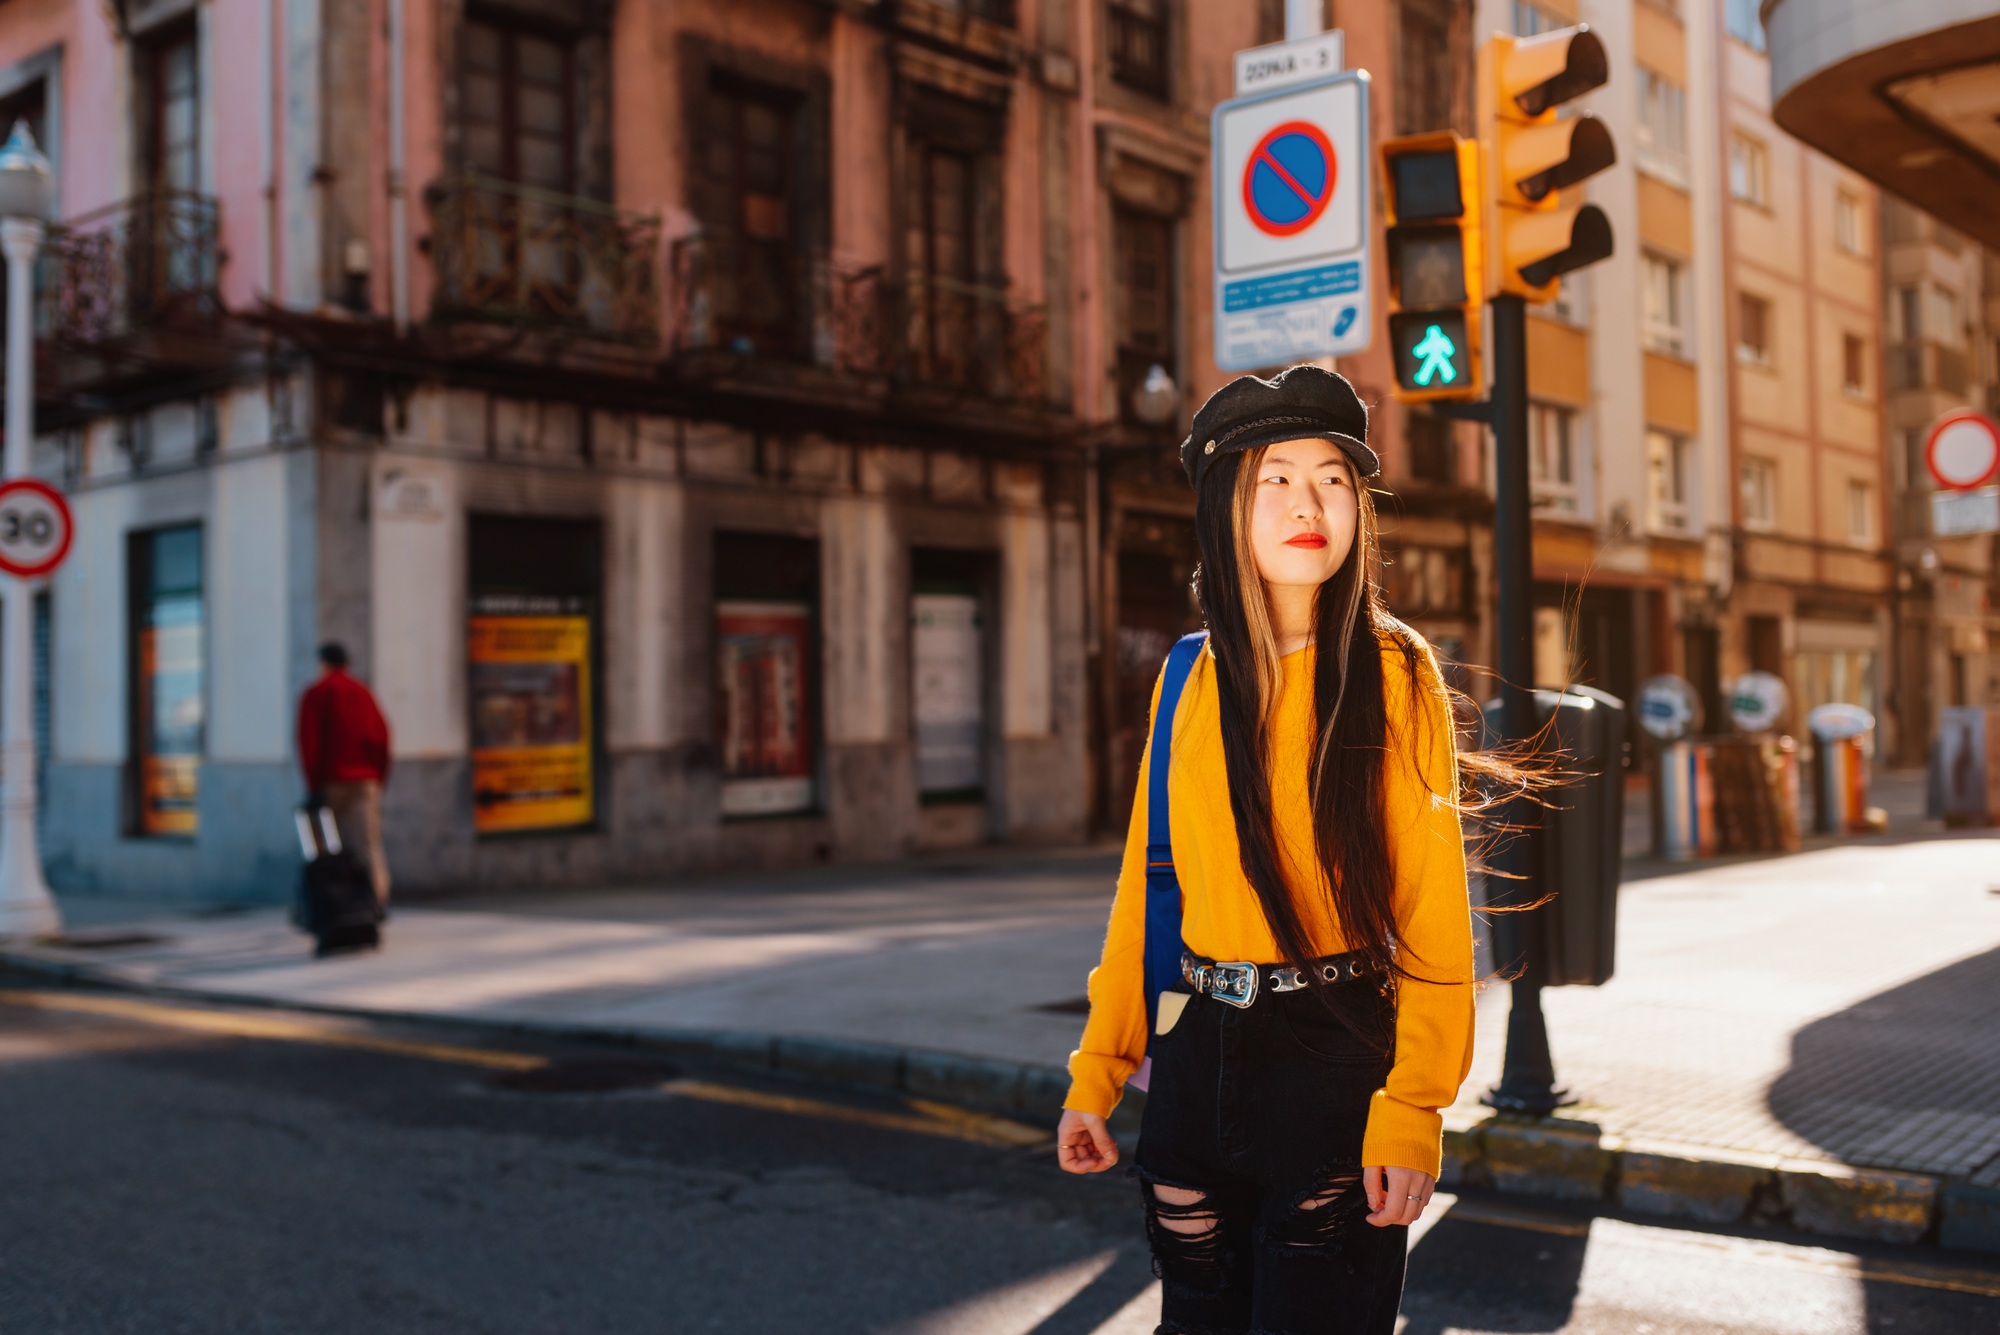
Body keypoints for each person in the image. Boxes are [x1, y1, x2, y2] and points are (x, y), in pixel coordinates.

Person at [1056, 366, 1476, 1335]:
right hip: (1196, 1054)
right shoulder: (1183, 679)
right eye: (1274, 478)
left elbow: (1431, 914)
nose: (1307, 503)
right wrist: (1097, 1070)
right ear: (1224, 509)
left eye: (1331, 479)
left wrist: (1413, 1106)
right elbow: (1144, 891)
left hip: (1334, 1059)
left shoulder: (1396, 673)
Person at [297, 642, 393, 908]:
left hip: (330, 782)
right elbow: (382, 738)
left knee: (323, 849)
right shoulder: (364, 693)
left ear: (323, 664)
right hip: (365, 782)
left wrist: (313, 786)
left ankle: (330, 902)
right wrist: (378, 779)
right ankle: (376, 902)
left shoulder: (316, 693)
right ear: (347, 664)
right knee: (368, 846)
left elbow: (309, 744)